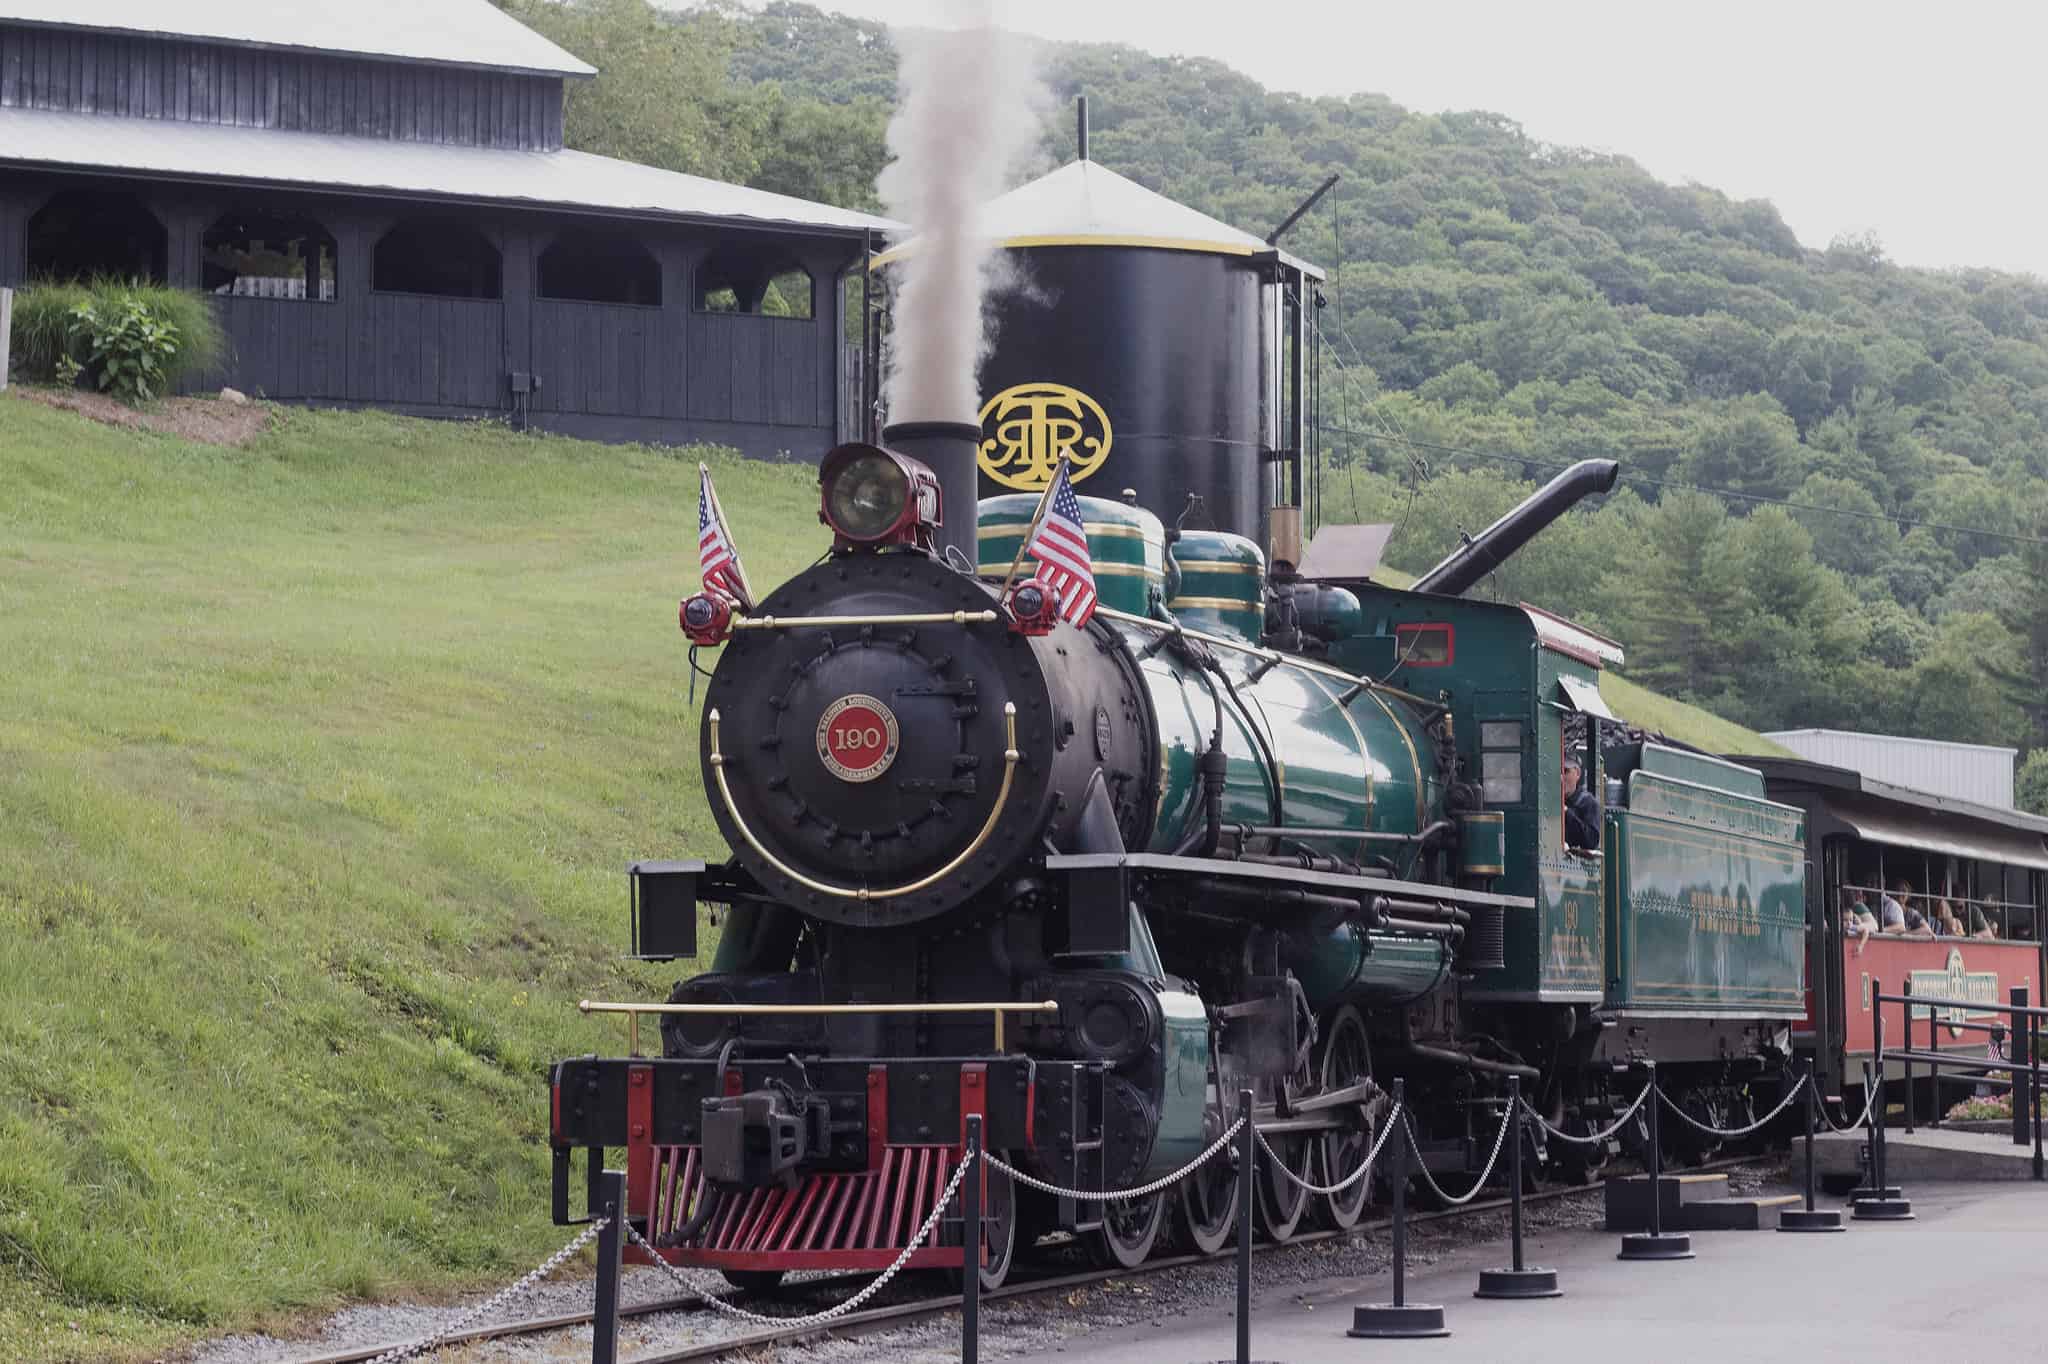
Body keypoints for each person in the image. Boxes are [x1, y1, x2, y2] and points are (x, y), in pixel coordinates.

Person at [1562, 758, 1601, 850]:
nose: (1561, 777)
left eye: (1565, 771)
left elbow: (1592, 841)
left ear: (1578, 774)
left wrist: (1568, 814)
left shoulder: (1588, 802)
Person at [1844, 888, 1879, 955]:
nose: (1848, 922)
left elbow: (1874, 927)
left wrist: (1861, 945)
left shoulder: (1858, 907)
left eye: (1851, 920)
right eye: (1845, 920)